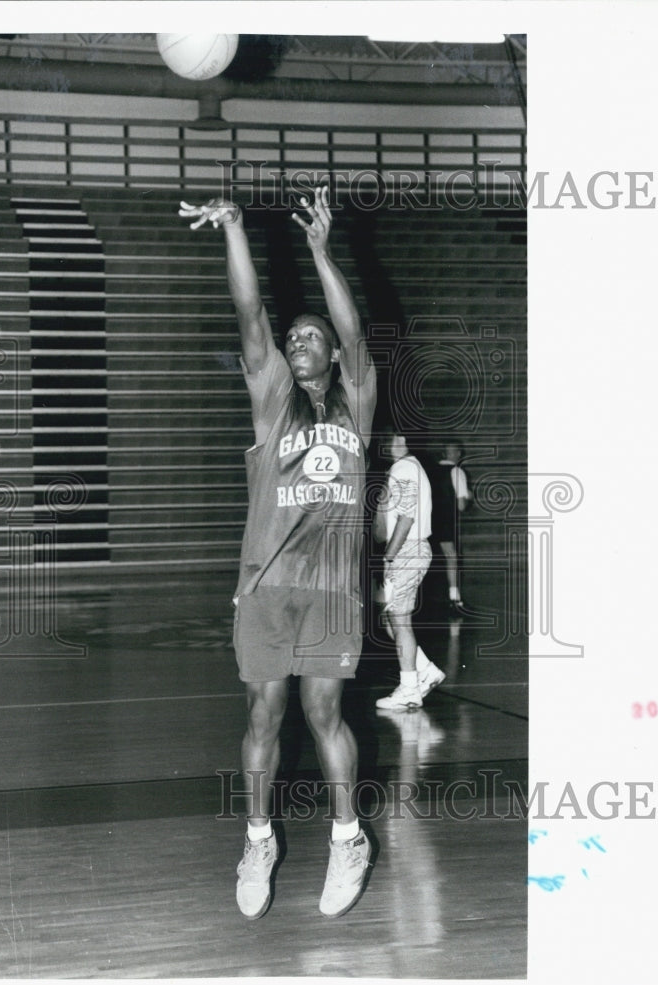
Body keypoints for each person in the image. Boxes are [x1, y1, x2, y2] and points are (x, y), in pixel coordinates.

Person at [179, 185, 376, 920]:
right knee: (264, 713)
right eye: (292, 337)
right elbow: (249, 313)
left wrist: (321, 252)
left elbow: (357, 337)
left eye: (310, 335)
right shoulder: (271, 398)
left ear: (329, 354)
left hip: (329, 591)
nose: (297, 340)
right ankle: (258, 838)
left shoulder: (354, 403)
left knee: (323, 708)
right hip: (264, 587)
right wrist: (234, 228)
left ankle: (347, 839)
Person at [374, 429, 446, 711]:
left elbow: (406, 517)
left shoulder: (404, 467)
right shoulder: (404, 468)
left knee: (399, 620)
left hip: (407, 549)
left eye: (398, 439)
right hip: (408, 549)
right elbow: (386, 526)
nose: (396, 444)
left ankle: (409, 689)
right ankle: (425, 670)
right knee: (389, 619)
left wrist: (389, 557)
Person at [430, 441, 471, 616]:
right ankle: (454, 599)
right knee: (451, 557)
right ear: (457, 454)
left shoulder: (429, 471)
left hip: (427, 521)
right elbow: (461, 505)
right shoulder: (457, 472)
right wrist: (469, 495)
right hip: (445, 521)